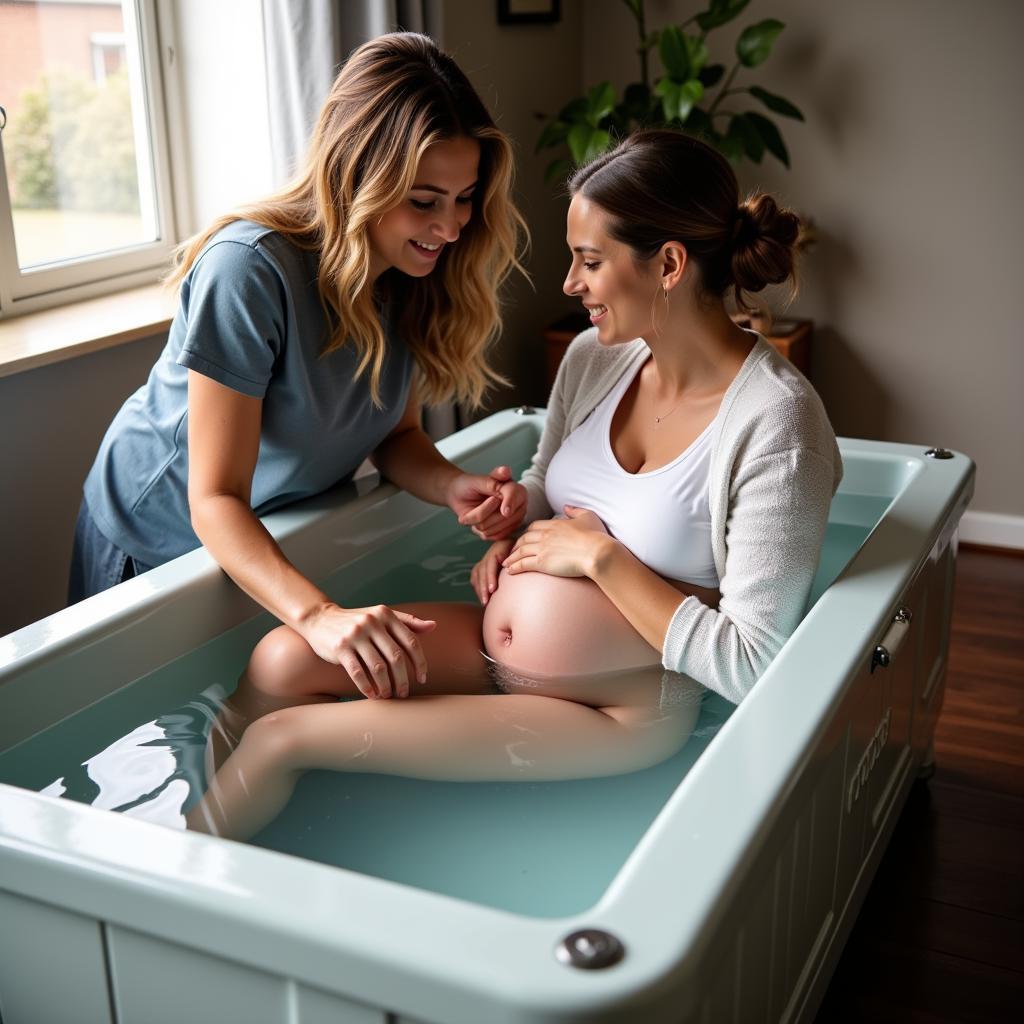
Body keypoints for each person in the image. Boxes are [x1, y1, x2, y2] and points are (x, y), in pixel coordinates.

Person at [187, 129, 843, 841]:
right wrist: (518, 514)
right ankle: (211, 843)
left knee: (284, 741)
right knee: (280, 661)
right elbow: (547, 486)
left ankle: (168, 891)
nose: (569, 284)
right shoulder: (596, 359)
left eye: (590, 261)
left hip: (619, 707)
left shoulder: (777, 422)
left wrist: (600, 559)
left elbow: (756, 666)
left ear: (670, 265)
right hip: (499, 649)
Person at [68, 33, 531, 692]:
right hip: (155, 534)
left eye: (464, 198)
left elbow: (395, 437)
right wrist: (317, 615)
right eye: (425, 201)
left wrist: (451, 486)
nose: (452, 227)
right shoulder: (247, 270)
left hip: (263, 517)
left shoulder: (410, 271)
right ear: (357, 177)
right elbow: (215, 499)